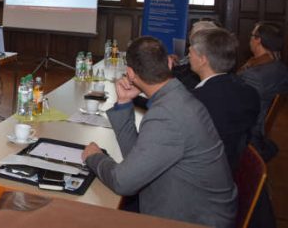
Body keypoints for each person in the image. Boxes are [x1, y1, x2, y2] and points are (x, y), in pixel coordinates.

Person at [82, 36, 237, 228]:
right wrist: (123, 104)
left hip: (193, 219)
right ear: (170, 63)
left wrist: (94, 157)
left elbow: (123, 183)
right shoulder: (177, 98)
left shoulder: (166, 115)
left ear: (130, 74)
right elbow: (136, 157)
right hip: (191, 205)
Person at [188, 28, 260, 170]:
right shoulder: (250, 93)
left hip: (203, 174)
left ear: (202, 60)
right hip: (234, 167)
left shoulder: (195, 102)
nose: (188, 56)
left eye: (190, 52)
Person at [238, 21, 288, 161]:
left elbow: (238, 104)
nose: (250, 39)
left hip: (249, 132)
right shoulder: (281, 68)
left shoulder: (254, 75)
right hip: (260, 125)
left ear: (258, 40)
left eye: (252, 35)